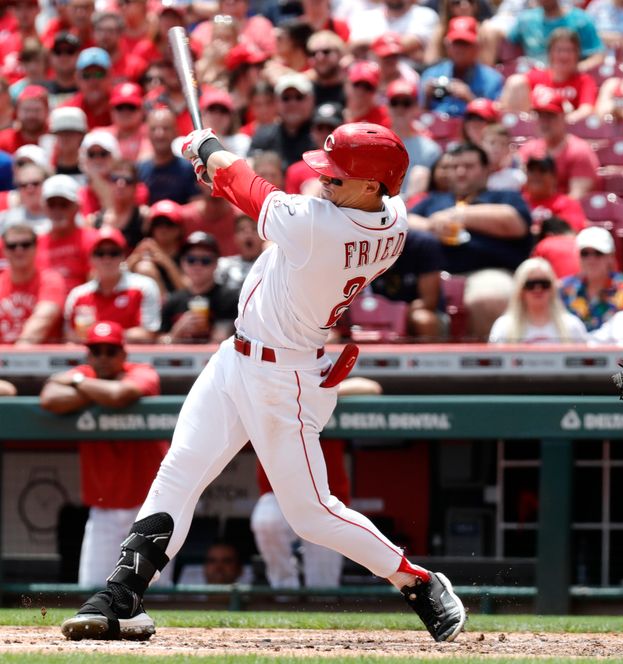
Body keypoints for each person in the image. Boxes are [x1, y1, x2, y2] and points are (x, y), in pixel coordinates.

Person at [60, 120, 465, 643]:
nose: (325, 181)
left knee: (311, 515)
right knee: (180, 469)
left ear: (371, 186)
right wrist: (221, 174)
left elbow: (250, 188)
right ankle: (122, 596)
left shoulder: (322, 226)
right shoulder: (391, 217)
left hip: (285, 376)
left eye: (338, 177)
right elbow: (258, 196)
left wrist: (207, 149)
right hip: (238, 357)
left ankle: (420, 582)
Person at [39, 321, 171, 588]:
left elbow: (122, 394)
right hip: (104, 509)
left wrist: (78, 383)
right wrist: (95, 389)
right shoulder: (87, 374)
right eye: (96, 351)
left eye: (110, 351)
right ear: (88, 355)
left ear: (123, 354)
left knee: (157, 593)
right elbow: (50, 397)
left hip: (149, 507)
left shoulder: (142, 372)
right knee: (91, 588)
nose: (102, 358)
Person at [251, 377, 382, 590]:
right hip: (278, 490)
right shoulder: (269, 378)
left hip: (326, 493)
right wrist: (287, 395)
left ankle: (320, 603)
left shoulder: (319, 383)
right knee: (267, 521)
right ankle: (284, 591)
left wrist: (314, 393)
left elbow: (372, 387)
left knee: (323, 578)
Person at [408, 142, 533, 339]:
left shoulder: (504, 196)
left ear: (486, 169)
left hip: (488, 271)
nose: (460, 172)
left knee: (489, 298)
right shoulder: (434, 200)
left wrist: (457, 215)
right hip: (431, 276)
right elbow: (406, 221)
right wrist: (432, 225)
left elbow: (514, 222)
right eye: (453, 167)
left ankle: (491, 366)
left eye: (468, 166)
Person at [63, 227, 161, 344]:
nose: (107, 259)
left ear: (123, 256)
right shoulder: (78, 295)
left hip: (133, 358)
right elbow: (70, 337)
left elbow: (149, 333)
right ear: (90, 258)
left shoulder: (144, 287)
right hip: (91, 358)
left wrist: (102, 334)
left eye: (113, 253)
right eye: (100, 253)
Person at [500, 28, 598, 121]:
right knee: (516, 82)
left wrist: (558, 123)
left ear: (577, 54)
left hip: (565, 130)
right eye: (559, 50)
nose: (564, 56)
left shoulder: (584, 80)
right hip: (534, 127)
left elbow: (586, 109)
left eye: (569, 50)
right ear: (550, 53)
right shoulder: (536, 76)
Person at [159, 232, 239, 345]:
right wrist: (176, 332)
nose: (197, 265)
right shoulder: (173, 300)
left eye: (205, 260)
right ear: (182, 262)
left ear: (216, 263)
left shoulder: (229, 298)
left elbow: (224, 339)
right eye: (191, 260)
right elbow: (159, 340)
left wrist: (211, 330)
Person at [518, 91, 599, 200]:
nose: (544, 122)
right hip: (532, 211)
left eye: (550, 116)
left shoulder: (579, 151)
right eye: (540, 116)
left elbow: (576, 197)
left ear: (563, 117)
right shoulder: (528, 149)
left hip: (563, 212)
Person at [489, 257, 588, 343]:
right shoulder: (504, 327)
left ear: (552, 288)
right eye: (530, 284)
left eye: (544, 284)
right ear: (520, 290)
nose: (538, 289)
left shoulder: (573, 326)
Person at [419, 16, 504, 117]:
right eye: (456, 43)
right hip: (436, 128)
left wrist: (470, 99)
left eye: (465, 44)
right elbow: (416, 118)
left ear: (477, 46)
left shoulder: (492, 79)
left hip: (472, 129)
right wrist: (426, 98)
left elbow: (495, 120)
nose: (460, 50)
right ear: (447, 46)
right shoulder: (431, 74)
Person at [0, 221, 66, 344]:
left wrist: (16, 357)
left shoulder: (50, 280)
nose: (19, 250)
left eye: (25, 244)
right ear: (4, 250)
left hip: (40, 359)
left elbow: (43, 319)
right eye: (12, 246)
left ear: (36, 247)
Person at [560, 226, 623, 332]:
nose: (591, 260)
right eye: (585, 253)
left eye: (598, 253)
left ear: (611, 257)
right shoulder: (565, 289)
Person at [37, 174, 98, 292]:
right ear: (44, 207)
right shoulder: (33, 244)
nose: (57, 211)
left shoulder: (93, 240)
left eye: (64, 204)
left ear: (77, 206)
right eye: (51, 204)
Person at [505, 0, 604, 69]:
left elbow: (598, 55)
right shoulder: (525, 20)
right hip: (533, 77)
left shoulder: (580, 20)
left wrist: (574, 69)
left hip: (568, 79)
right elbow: (508, 45)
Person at [137, 108, 200, 205]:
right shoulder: (140, 170)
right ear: (147, 133)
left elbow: (196, 205)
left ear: (176, 132)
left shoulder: (188, 169)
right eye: (154, 129)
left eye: (165, 128)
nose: (159, 134)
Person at [520, 150, 586, 235]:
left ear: (554, 178)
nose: (536, 175)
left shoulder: (568, 204)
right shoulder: (519, 201)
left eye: (542, 171)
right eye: (531, 170)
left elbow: (570, 234)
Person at [215, 215, 265, 292]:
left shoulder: (271, 265)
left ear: (264, 237)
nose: (249, 234)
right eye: (242, 230)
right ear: (235, 238)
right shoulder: (223, 265)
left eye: (254, 229)